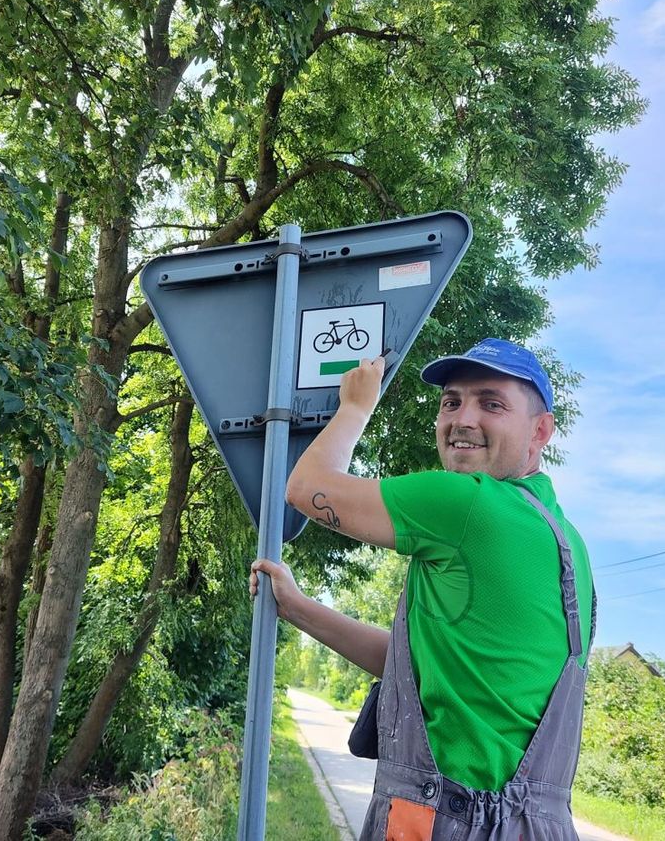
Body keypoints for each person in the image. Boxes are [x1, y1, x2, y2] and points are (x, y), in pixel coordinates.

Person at [249, 338, 595, 840]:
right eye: (451, 401)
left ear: (540, 430)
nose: (463, 418)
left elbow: (306, 487)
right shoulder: (570, 547)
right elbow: (420, 664)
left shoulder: (468, 504)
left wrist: (355, 406)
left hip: (445, 824)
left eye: (491, 403)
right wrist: (300, 609)